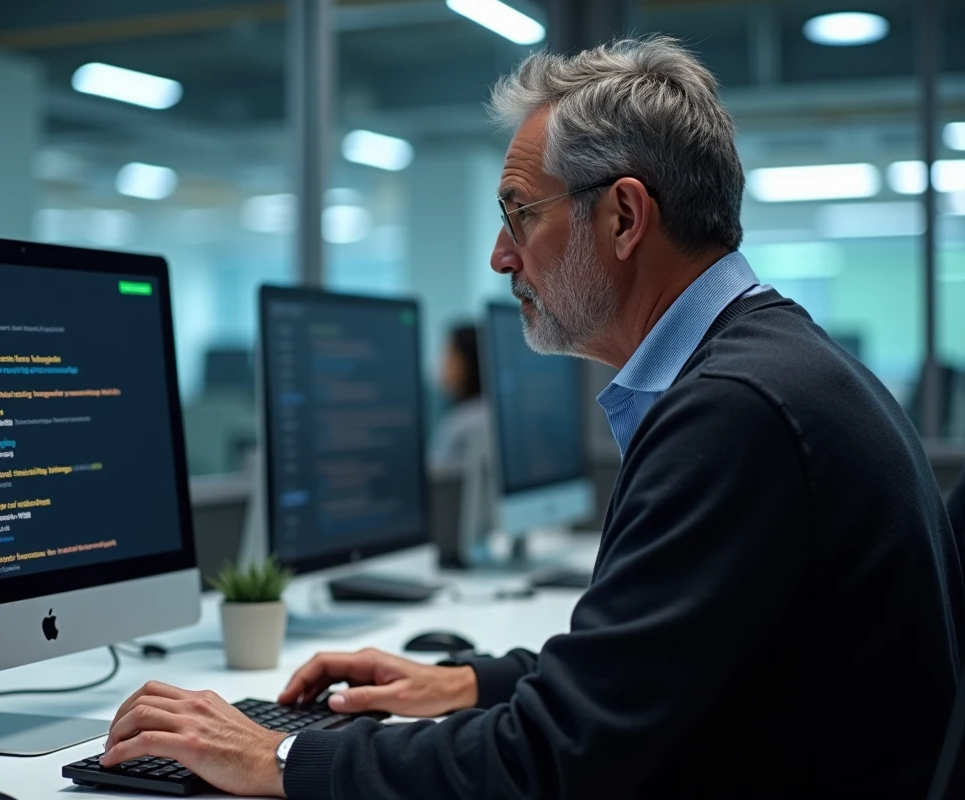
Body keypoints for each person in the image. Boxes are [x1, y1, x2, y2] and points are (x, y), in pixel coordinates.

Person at [100, 37, 965, 798]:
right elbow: (652, 668)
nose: (500, 254)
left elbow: (546, 766)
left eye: (520, 212)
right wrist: (469, 683)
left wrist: (279, 757)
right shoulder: (773, 363)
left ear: (623, 216)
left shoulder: (736, 411)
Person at [428, 323, 487, 469]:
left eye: (449, 354)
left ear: (467, 362)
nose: (442, 363)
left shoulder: (462, 425)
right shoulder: (486, 411)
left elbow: (435, 470)